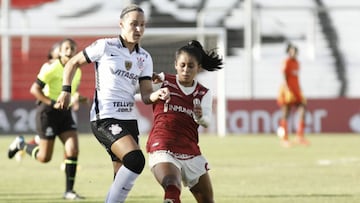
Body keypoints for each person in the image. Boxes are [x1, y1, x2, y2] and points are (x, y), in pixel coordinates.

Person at [56, 4, 170, 203]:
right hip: (105, 118)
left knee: (120, 177)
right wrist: (66, 90)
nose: (138, 29)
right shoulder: (105, 46)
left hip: (129, 120)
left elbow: (145, 95)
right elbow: (73, 62)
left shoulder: (145, 57)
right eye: (133, 24)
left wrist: (157, 95)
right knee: (136, 160)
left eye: (142, 25)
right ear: (121, 24)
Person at [146, 40, 223, 203]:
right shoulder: (163, 81)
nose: (186, 70)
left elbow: (207, 121)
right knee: (172, 185)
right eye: (182, 65)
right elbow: (139, 90)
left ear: (199, 68)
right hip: (163, 146)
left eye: (190, 66)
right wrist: (147, 84)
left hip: (190, 151)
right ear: (175, 64)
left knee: (208, 201)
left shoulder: (203, 93)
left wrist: (200, 116)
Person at [7, 38, 85, 200]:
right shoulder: (51, 67)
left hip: (65, 113)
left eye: (73, 48)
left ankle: (69, 191)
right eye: (67, 48)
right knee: (44, 158)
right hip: (47, 113)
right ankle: (21, 144)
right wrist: (51, 103)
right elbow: (34, 89)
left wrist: (78, 98)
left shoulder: (77, 71)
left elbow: (72, 92)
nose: (70, 51)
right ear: (60, 51)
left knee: (73, 150)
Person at [277, 43, 309, 147]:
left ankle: (299, 136)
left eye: (295, 51)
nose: (294, 52)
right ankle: (284, 138)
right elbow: (283, 75)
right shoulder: (286, 62)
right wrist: (287, 89)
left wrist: (300, 90)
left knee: (302, 110)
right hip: (287, 90)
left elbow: (296, 78)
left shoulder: (297, 63)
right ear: (288, 52)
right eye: (292, 51)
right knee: (286, 112)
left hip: (296, 90)